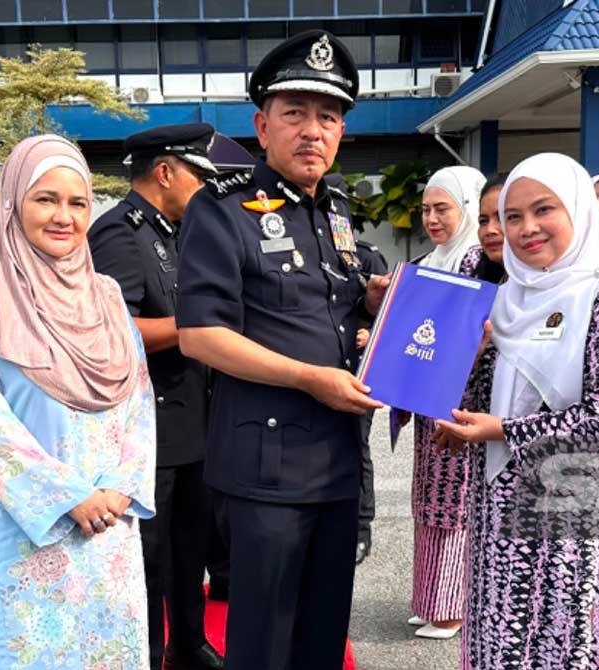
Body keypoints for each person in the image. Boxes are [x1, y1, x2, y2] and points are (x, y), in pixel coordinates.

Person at [175, 30, 388, 670]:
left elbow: (337, 308)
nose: (313, 131)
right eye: (295, 114)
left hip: (338, 459)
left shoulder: (339, 214)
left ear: (342, 132)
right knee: (265, 641)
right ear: (262, 126)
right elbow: (201, 335)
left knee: (322, 637)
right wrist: (308, 377)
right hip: (266, 466)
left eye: (328, 117)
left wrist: (380, 302)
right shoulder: (225, 210)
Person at [0, 135, 156, 669]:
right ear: (13, 202)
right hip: (18, 532)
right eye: (45, 199)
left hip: (108, 530)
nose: (64, 216)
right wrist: (68, 496)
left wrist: (120, 490)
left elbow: (138, 398)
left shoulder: (103, 295)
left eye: (77, 203)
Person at [436, 153, 599, 668]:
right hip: (498, 508)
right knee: (499, 640)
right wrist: (466, 392)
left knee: (563, 641)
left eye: (543, 210)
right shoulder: (504, 298)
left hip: (573, 520)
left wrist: (505, 430)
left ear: (578, 211)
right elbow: (486, 395)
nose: (526, 228)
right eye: (512, 216)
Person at [88, 124, 225, 670]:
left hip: (192, 419)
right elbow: (116, 331)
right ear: (165, 171)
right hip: (148, 428)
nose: (206, 190)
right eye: (198, 176)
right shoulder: (118, 233)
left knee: (191, 549)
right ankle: (143, 655)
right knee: (145, 557)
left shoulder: (173, 231)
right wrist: (200, 326)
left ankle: (188, 644)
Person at [405, 165, 486, 640]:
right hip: (426, 397)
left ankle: (452, 607)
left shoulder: (475, 259)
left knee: (453, 503)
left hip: (460, 400)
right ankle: (429, 599)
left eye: (443, 209)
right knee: (428, 499)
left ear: (468, 209)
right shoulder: (432, 258)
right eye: (426, 210)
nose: (432, 219)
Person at [353, 237, 388, 565]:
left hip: (359, 371)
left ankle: (361, 528)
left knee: (357, 446)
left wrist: (369, 331)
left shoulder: (365, 255)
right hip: (320, 371)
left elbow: (389, 313)